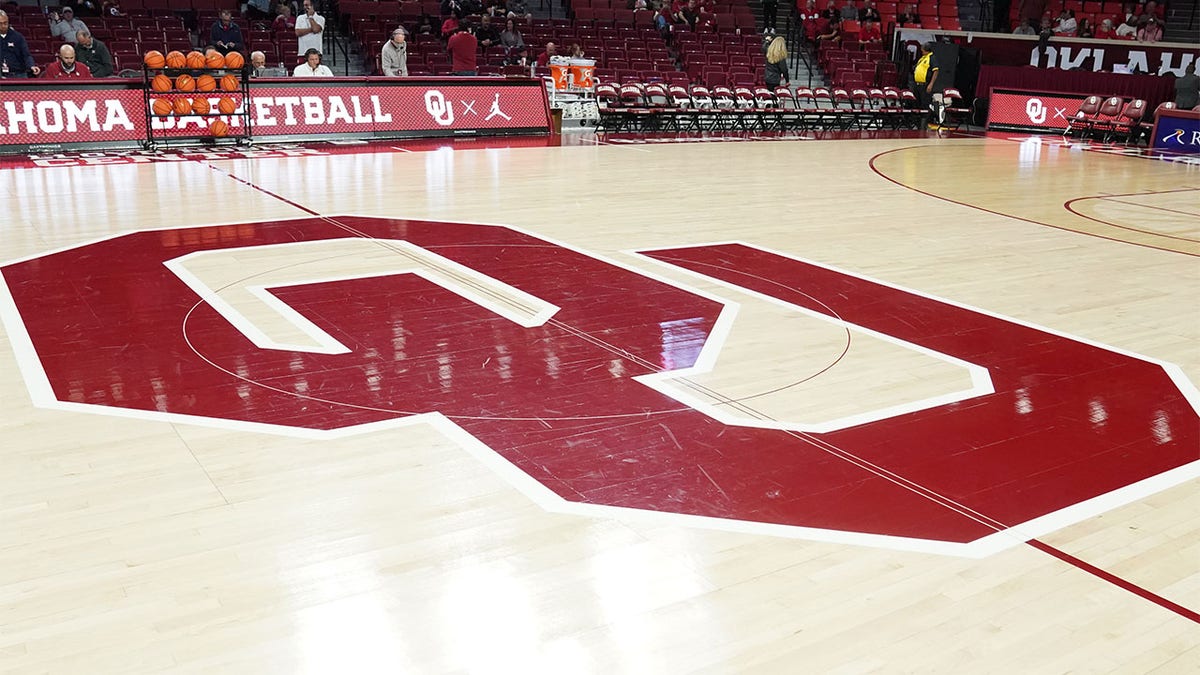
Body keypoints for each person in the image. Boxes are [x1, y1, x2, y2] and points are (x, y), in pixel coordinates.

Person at [0, 10, 40, 77]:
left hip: (18, 74)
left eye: (5, 23)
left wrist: (31, 65)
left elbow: (26, 55)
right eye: (0, 23)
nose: (3, 26)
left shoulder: (18, 37)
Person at [911, 41, 940, 130]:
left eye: (923, 50)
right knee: (916, 104)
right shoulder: (923, 58)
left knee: (924, 105)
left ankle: (923, 126)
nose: (921, 52)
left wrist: (931, 84)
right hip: (917, 85)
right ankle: (916, 124)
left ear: (927, 50)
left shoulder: (932, 58)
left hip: (925, 85)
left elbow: (936, 71)